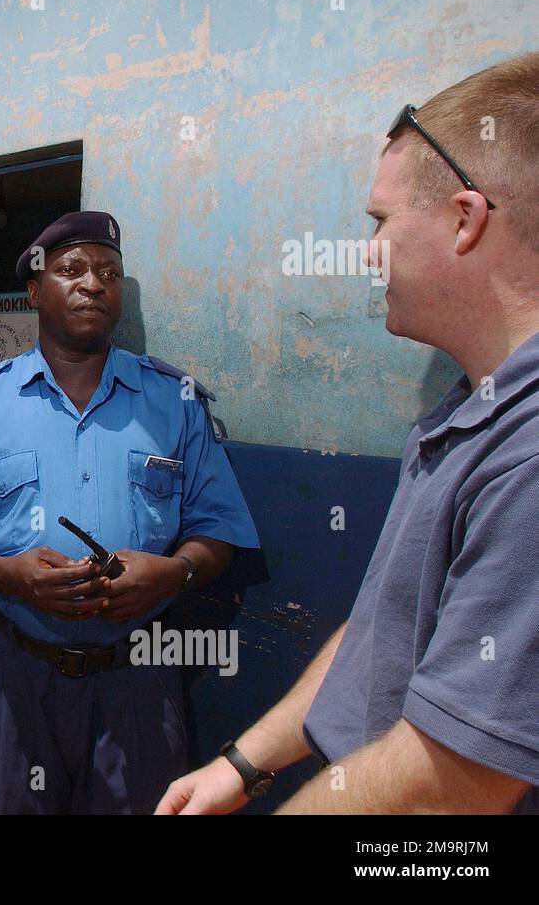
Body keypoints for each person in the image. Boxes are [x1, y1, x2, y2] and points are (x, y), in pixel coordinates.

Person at [157, 52, 539, 815]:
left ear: (465, 220)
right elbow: (381, 635)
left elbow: (451, 784)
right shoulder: (467, 417)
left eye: (381, 221)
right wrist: (243, 760)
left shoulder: (527, 454)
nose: (368, 251)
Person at [0, 211, 260, 814]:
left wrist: (174, 574)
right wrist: (9, 575)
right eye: (71, 270)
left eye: (109, 272)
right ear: (35, 291)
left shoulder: (174, 403)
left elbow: (218, 526)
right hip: (11, 673)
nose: (93, 283)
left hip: (137, 679)